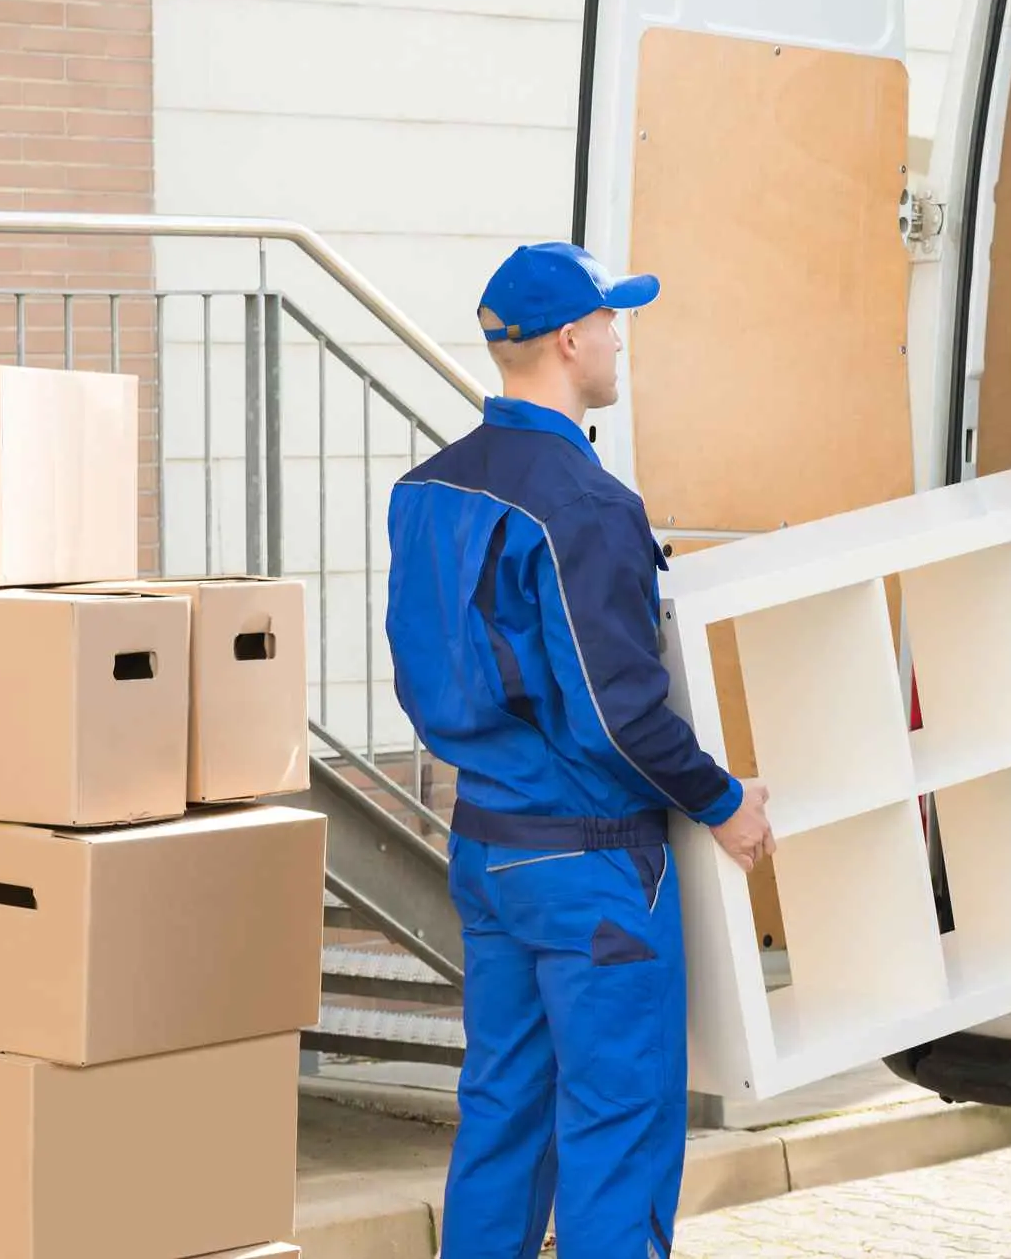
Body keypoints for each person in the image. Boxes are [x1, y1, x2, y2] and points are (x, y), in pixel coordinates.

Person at [384, 241, 775, 1259]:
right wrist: (723, 799)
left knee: (505, 1117)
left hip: (489, 846)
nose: (617, 337)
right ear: (569, 339)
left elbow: (418, 668)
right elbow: (618, 713)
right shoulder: (587, 502)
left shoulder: (427, 490)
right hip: (593, 864)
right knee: (615, 1133)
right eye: (611, 320)